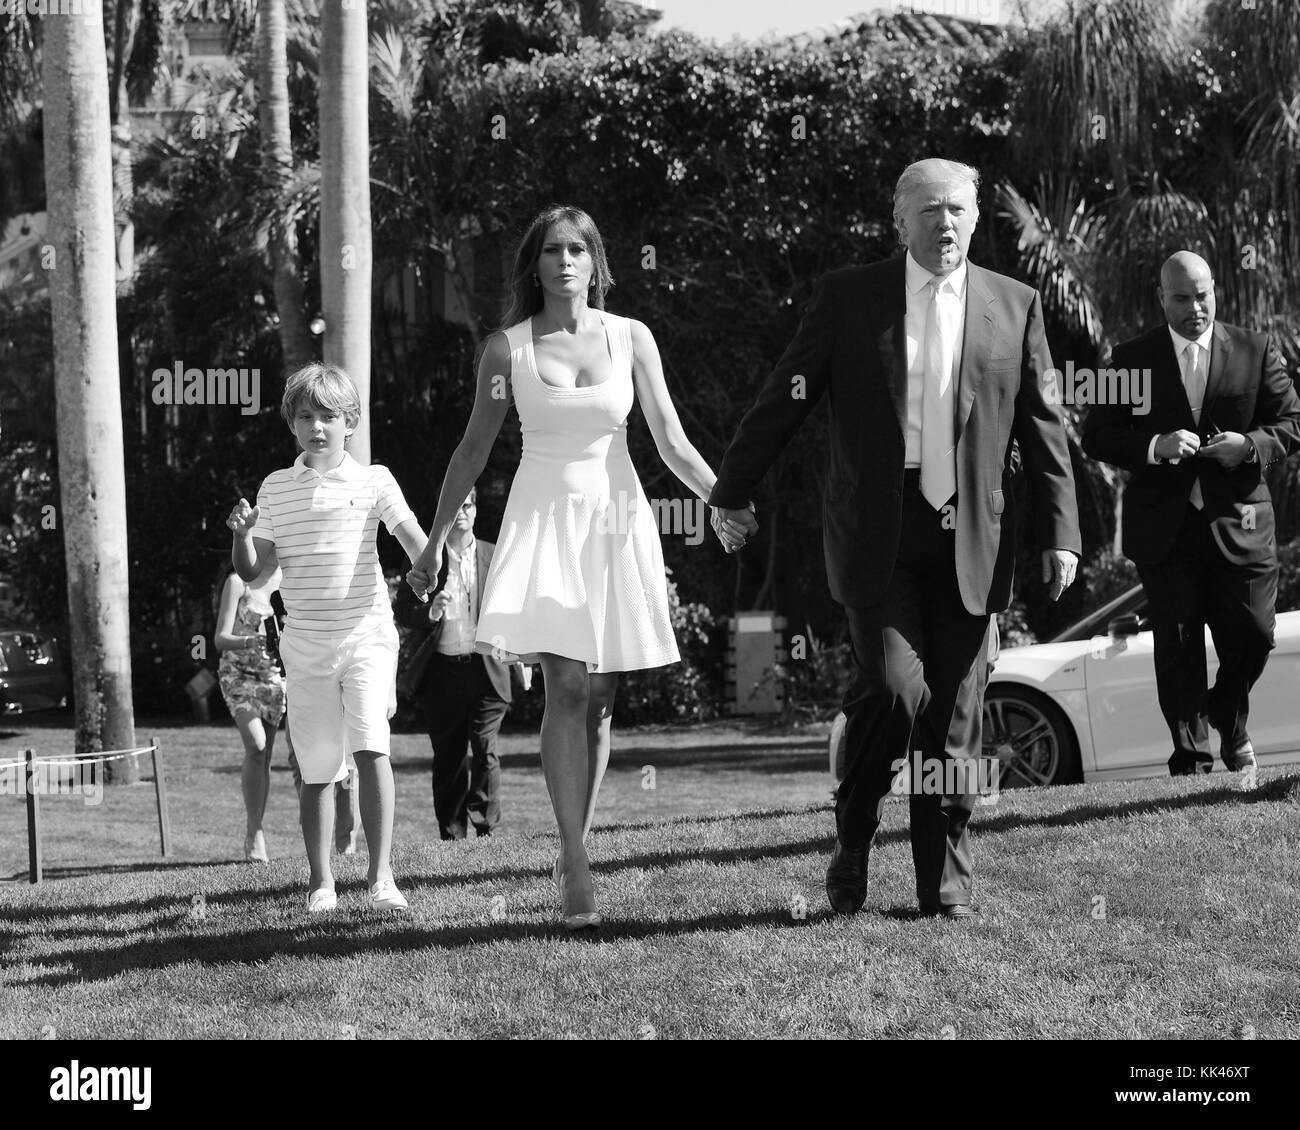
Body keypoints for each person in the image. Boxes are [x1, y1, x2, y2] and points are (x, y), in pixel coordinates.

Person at [709, 158, 1081, 918]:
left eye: (958, 211)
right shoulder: (851, 298)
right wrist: (731, 490)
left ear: (976, 221)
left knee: (955, 716)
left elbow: (1044, 428)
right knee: (892, 691)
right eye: (930, 210)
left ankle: (943, 887)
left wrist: (1062, 534)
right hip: (882, 530)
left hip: (974, 537)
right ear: (901, 220)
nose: (946, 223)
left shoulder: (1015, 305)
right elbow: (788, 394)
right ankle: (853, 838)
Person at [407, 204, 737, 930]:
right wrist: (432, 544)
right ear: (535, 264)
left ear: (595, 262)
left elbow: (673, 442)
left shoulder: (633, 337)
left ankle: (575, 842)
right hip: (542, 519)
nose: (563, 262)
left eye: (576, 250)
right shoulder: (507, 350)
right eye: (551, 251)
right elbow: (471, 452)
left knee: (601, 698)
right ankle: (575, 859)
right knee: (564, 686)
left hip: (615, 521)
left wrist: (722, 500)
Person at [1082, 251, 1300, 776]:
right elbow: (1097, 435)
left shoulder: (1254, 348)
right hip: (1165, 529)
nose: (1195, 307)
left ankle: (1227, 711)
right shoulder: (1130, 358)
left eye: (1202, 295)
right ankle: (1192, 761)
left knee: (1254, 633)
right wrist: (1154, 444)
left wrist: (1248, 445)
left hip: (1242, 523)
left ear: (1214, 291)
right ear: (1163, 299)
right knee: (1177, 646)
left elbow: (1292, 423)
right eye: (1181, 298)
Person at [227, 362, 429, 913]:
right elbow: (253, 570)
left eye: (330, 417)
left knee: (370, 746)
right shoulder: (276, 487)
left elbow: (409, 533)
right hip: (304, 646)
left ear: (351, 422)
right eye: (307, 416)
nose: (318, 427)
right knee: (316, 767)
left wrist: (426, 561)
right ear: (292, 424)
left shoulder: (375, 479)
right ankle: (321, 884)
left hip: (367, 636)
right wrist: (243, 537)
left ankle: (381, 877)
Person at [393, 486, 530, 840]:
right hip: (442, 671)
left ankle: (485, 827)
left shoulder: (495, 554)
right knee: (449, 756)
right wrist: (430, 611)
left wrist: (524, 658)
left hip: (488, 669)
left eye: (469, 505)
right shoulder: (427, 557)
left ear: (476, 511)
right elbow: (403, 610)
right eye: (457, 506)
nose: (463, 512)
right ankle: (452, 835)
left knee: (485, 748)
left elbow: (517, 609)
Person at [214, 560, 285, 863]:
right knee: (255, 744)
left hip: (273, 679)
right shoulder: (237, 582)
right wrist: (249, 640)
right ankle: (253, 831)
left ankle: (256, 828)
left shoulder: (290, 578)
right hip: (238, 675)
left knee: (264, 757)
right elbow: (219, 638)